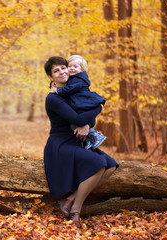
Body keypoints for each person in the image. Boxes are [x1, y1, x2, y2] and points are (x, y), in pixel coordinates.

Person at [44, 56, 118, 226]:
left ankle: (69, 199)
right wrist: (98, 107)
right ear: (51, 77)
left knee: (111, 166)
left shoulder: (73, 92)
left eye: (63, 68)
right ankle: (76, 210)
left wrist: (86, 123)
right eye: (56, 71)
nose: (62, 72)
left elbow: (88, 121)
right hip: (60, 144)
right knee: (98, 163)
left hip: (76, 141)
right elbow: (77, 118)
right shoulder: (53, 98)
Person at [49, 55, 106, 150]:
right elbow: (62, 84)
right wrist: (52, 85)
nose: (72, 69)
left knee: (79, 120)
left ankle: (94, 136)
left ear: (82, 69)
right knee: (74, 125)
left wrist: (57, 90)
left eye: (75, 67)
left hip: (83, 102)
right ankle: (89, 139)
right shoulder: (72, 78)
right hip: (77, 103)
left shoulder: (79, 79)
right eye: (70, 66)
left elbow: (70, 89)